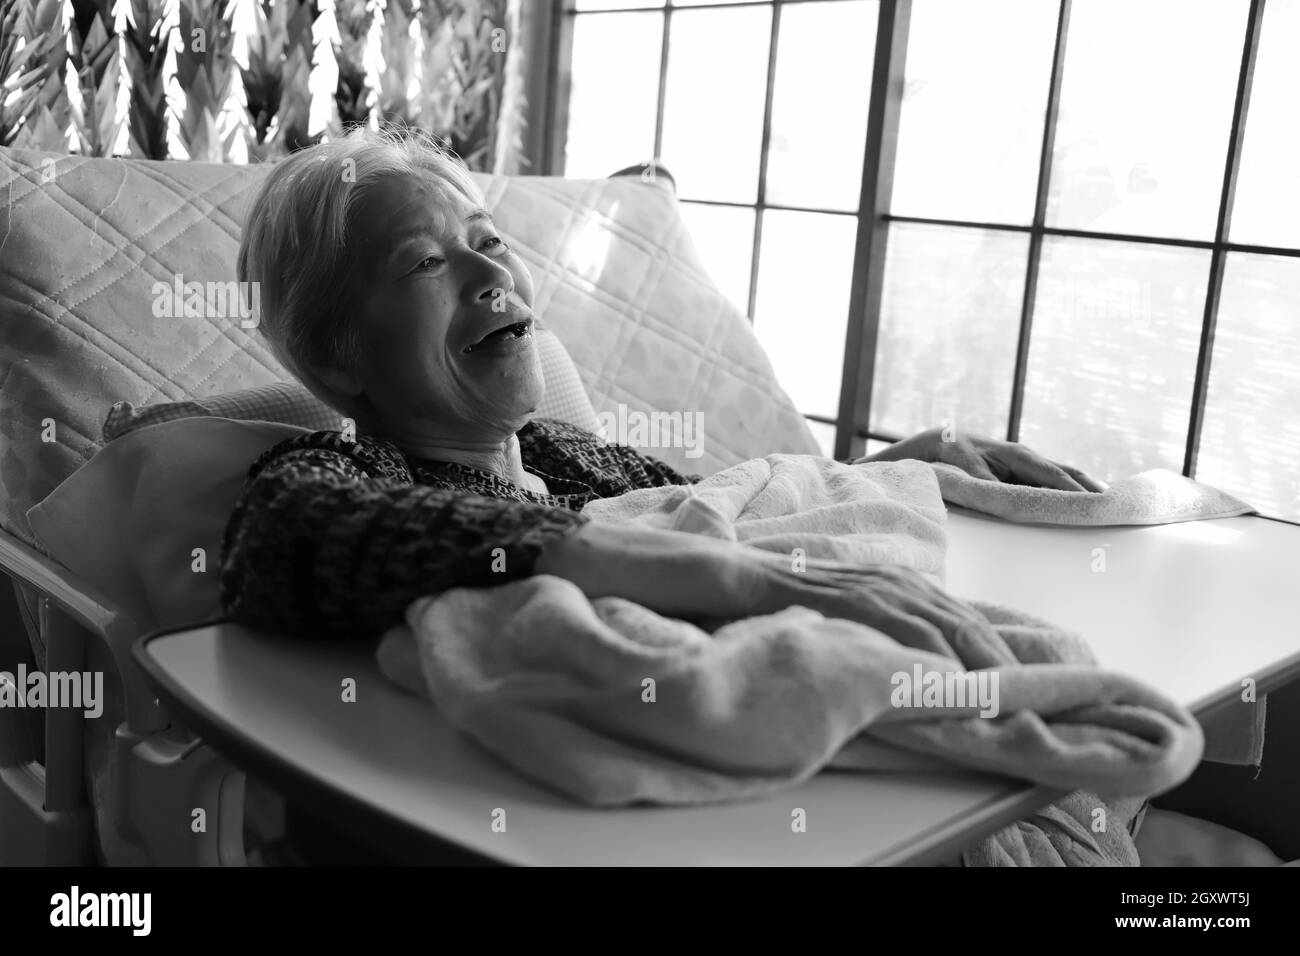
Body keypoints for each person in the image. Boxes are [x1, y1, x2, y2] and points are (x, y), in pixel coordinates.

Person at [221, 127, 1102, 659]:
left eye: (487, 238)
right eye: (423, 260)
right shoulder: (352, 472)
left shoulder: (587, 460)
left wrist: (899, 472)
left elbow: (734, 513)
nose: (490, 269)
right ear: (340, 359)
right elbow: (282, 539)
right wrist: (693, 571)